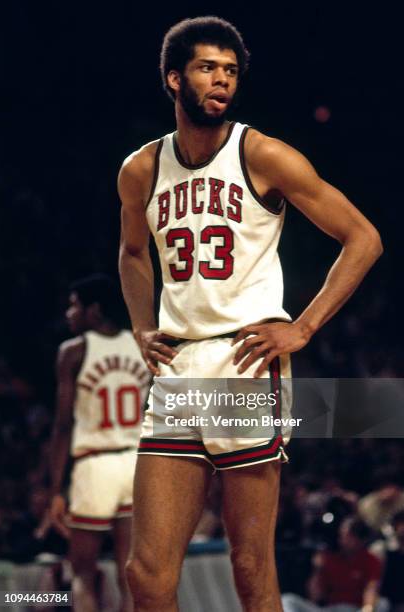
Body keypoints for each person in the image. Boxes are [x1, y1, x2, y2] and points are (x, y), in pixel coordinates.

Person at [118, 16, 383, 612]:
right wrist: (140, 323)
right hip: (179, 368)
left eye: (231, 72)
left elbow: (363, 237)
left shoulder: (263, 154)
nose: (222, 81)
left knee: (249, 565)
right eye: (207, 68)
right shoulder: (140, 170)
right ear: (173, 79)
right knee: (146, 574)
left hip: (245, 360)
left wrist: (305, 325)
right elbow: (133, 253)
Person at [49, 274, 150, 612]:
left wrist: (54, 489)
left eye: (74, 305)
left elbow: (63, 425)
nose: (68, 313)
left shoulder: (73, 351)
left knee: (82, 574)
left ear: (93, 310)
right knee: (129, 573)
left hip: (95, 462)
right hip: (137, 462)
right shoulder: (141, 344)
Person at [282, 516, 387, 612]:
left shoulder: (371, 560)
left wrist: (368, 608)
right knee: (287, 599)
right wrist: (318, 569)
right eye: (340, 535)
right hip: (329, 609)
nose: (340, 539)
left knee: (383, 603)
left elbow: (371, 589)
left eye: (346, 536)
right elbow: (316, 596)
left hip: (354, 609)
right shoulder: (328, 556)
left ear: (358, 539)